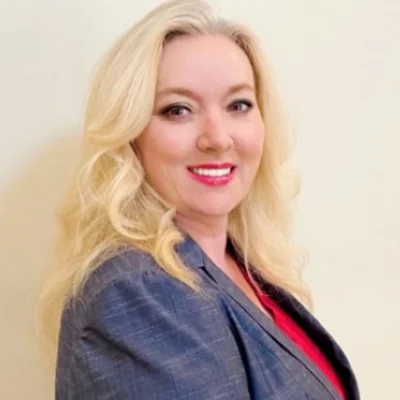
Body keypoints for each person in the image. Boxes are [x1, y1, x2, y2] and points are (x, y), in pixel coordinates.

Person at [37, 0, 360, 399]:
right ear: (131, 135)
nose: (218, 138)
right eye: (178, 110)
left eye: (238, 105)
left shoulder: (241, 267)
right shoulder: (137, 293)